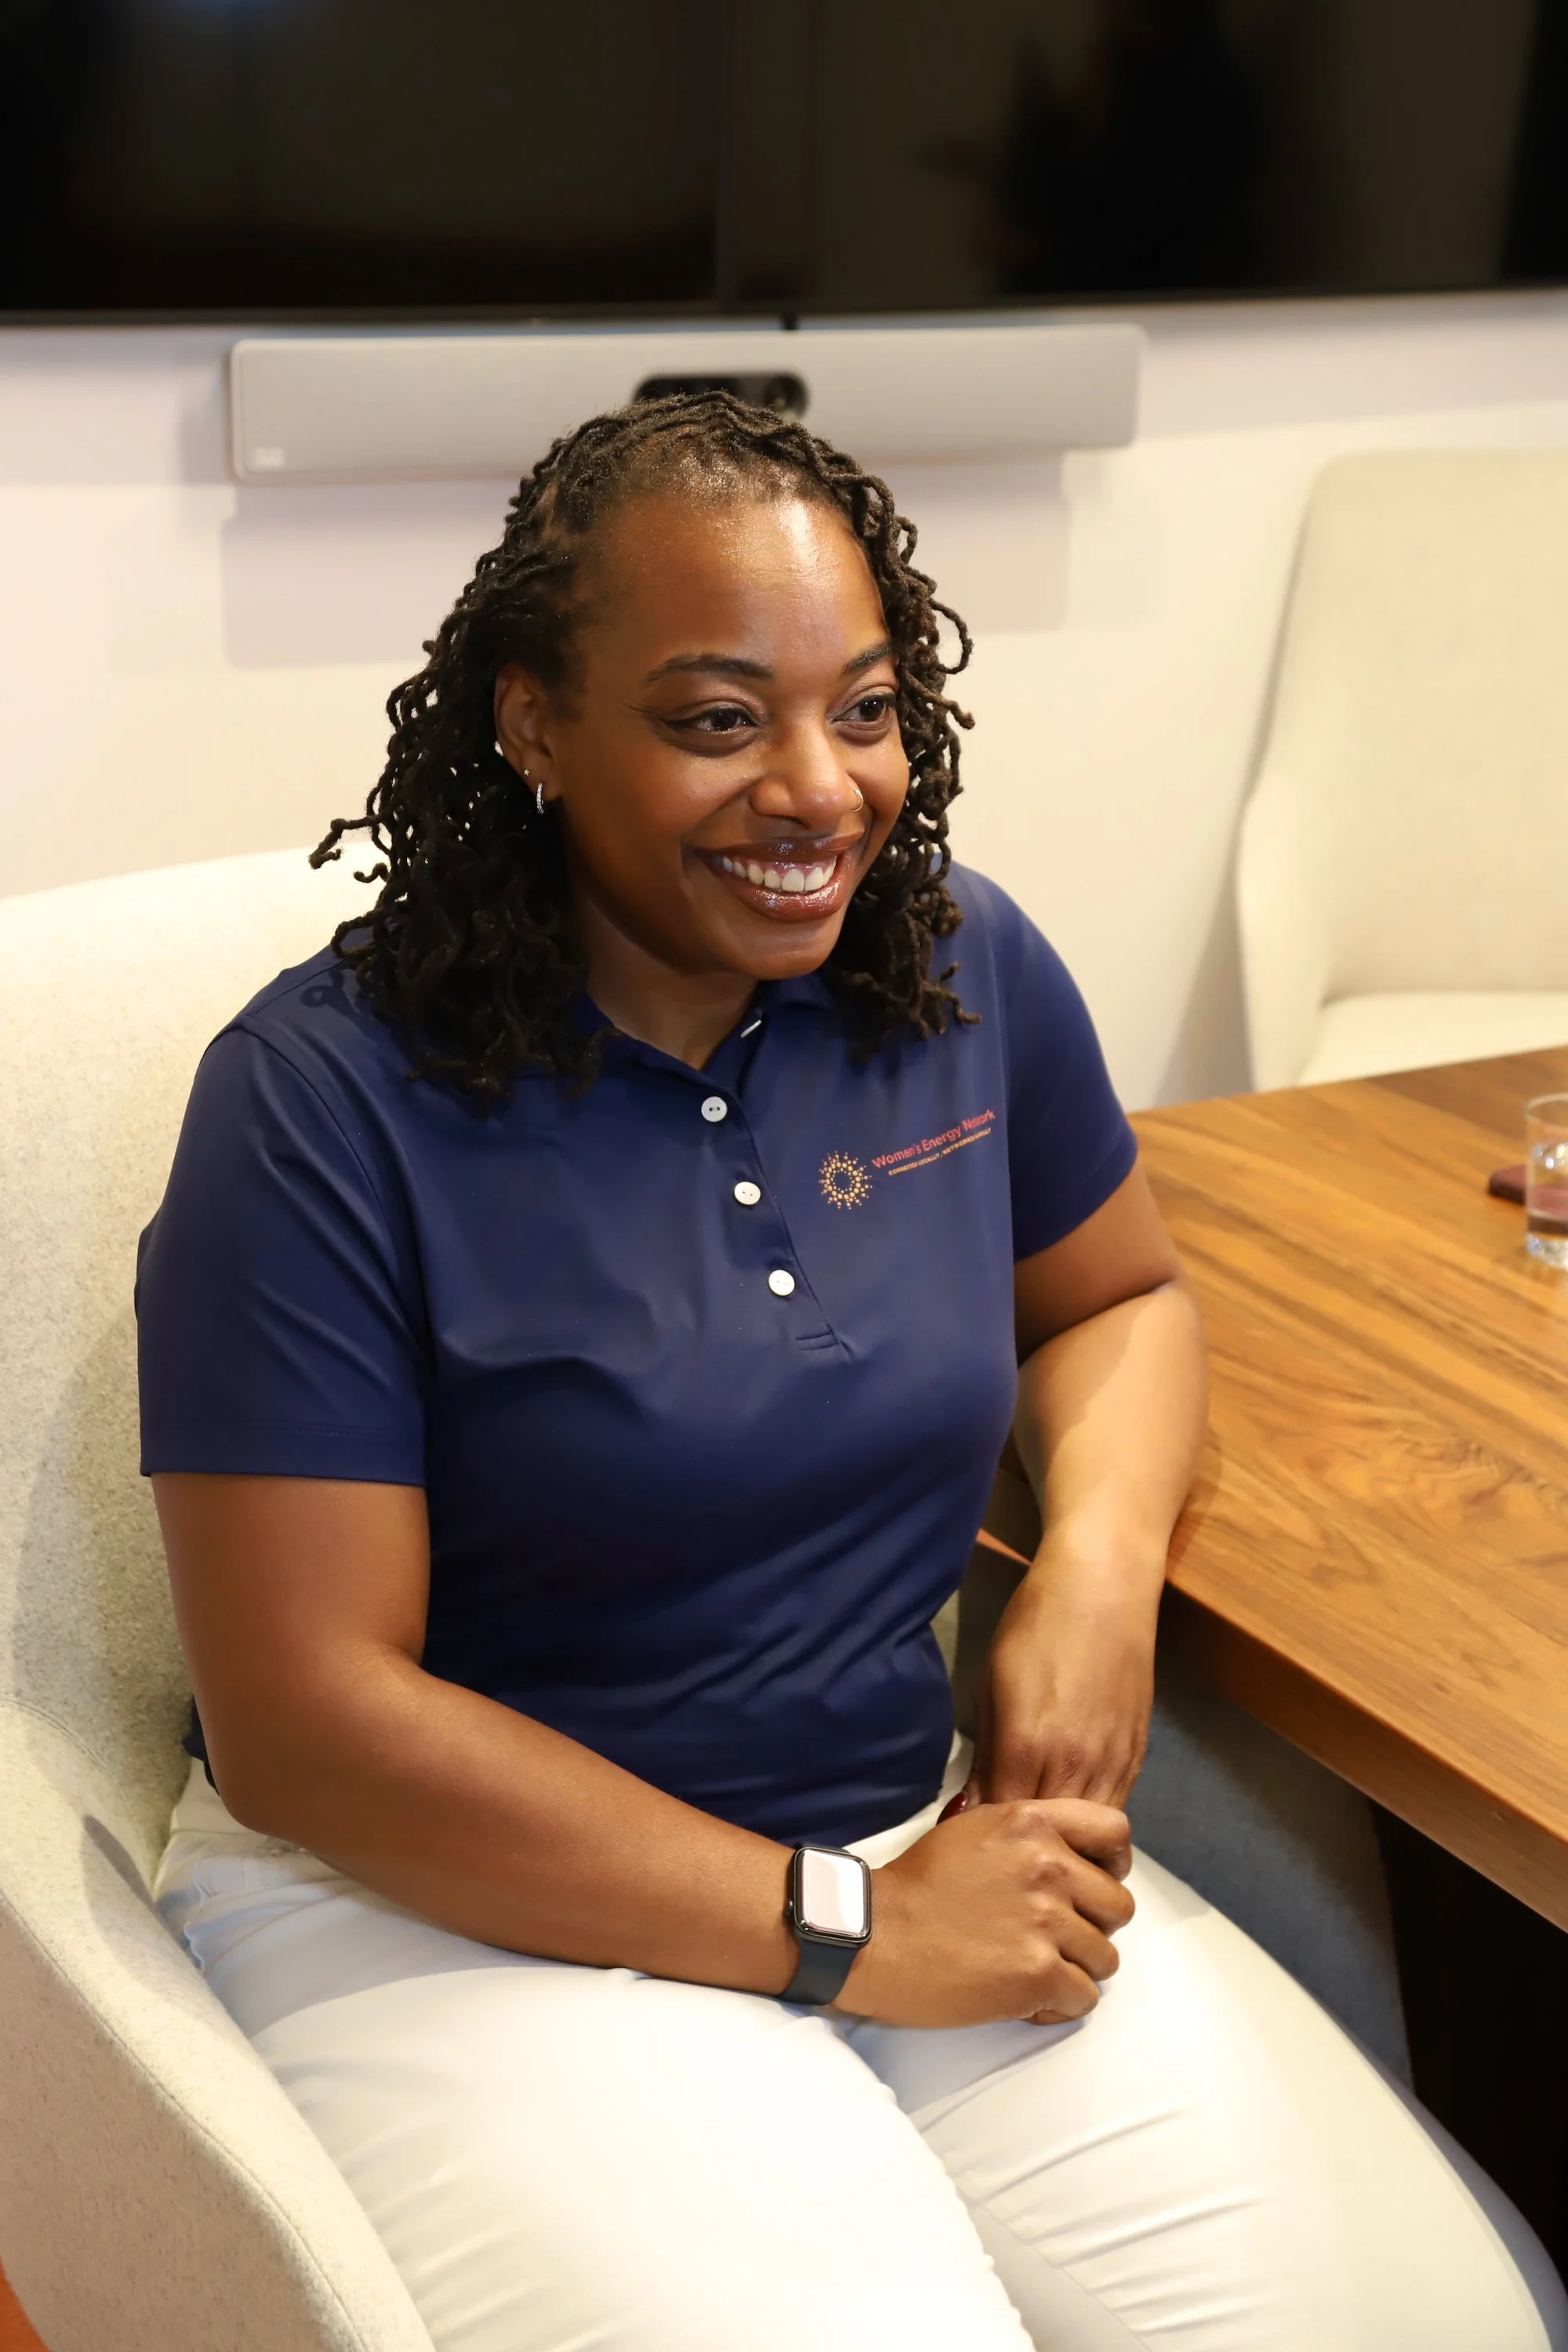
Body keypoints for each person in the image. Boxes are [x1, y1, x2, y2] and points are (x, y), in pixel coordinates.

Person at [138, 392, 1565, 2352]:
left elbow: (1120, 1306)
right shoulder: (317, 1105)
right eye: (718, 718)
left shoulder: (959, 974)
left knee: (1434, 2330)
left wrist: (1088, 1571)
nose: (818, 786)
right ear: (532, 719)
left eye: (867, 706)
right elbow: (307, 1719)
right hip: (444, 1921)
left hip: (916, 1832)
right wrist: (850, 1938)